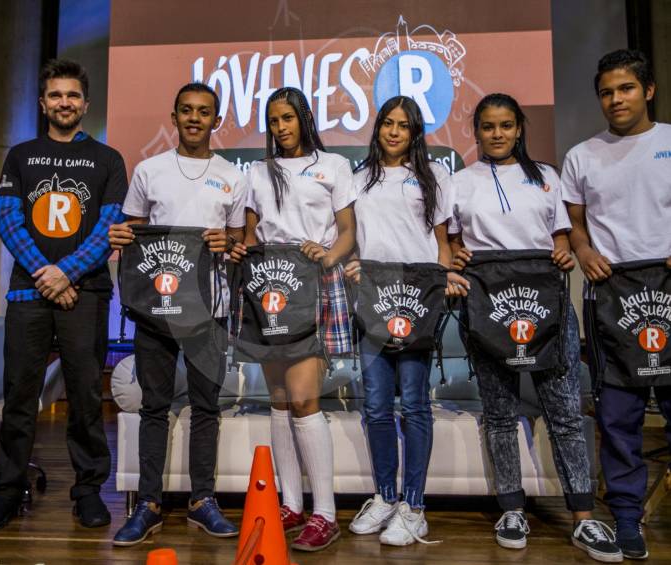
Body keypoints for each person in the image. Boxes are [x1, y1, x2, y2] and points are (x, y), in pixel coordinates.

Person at [449, 93, 622, 562]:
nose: (498, 134)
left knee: (565, 413)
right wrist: (455, 258)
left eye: (506, 125)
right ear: (478, 131)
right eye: (488, 126)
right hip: (488, 309)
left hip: (547, 309)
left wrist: (566, 253)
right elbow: (450, 244)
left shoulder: (546, 177)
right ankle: (511, 508)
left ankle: (583, 519)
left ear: (520, 127)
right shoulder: (459, 182)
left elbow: (561, 241)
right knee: (501, 414)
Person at [0, 59, 127, 532]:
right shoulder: (20, 155)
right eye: (56, 95)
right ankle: (7, 490)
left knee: (84, 397)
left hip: (87, 293)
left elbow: (109, 227)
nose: (65, 103)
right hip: (29, 294)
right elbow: (9, 220)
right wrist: (49, 275)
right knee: (21, 395)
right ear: (43, 103)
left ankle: (87, 491)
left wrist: (67, 273)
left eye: (73, 95)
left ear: (85, 103)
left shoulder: (109, 159)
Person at [108, 82, 246, 546]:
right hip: (157, 311)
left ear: (215, 120)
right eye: (186, 110)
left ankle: (202, 500)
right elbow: (133, 233)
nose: (194, 118)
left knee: (207, 407)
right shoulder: (149, 170)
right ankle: (149, 503)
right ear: (174, 116)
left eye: (203, 112)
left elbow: (239, 246)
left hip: (211, 309)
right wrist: (123, 238)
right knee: (154, 405)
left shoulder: (233, 176)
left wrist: (230, 245)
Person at [230, 86, 355, 552]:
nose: (281, 128)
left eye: (288, 118)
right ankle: (291, 503)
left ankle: (325, 513)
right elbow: (246, 234)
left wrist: (327, 256)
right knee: (280, 399)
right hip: (268, 286)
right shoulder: (257, 173)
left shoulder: (335, 166)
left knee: (304, 398)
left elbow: (347, 234)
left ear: (304, 117)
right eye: (274, 120)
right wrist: (240, 247)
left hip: (314, 282)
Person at [343, 96, 468, 546]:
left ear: (415, 133)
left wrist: (449, 274)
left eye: (404, 125)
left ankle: (414, 506)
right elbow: (349, 236)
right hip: (372, 297)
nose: (394, 132)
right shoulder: (358, 179)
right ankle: (385, 496)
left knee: (414, 403)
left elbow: (443, 242)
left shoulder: (435, 177)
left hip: (419, 299)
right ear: (377, 128)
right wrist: (353, 263)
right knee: (376, 405)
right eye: (387, 124)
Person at [562, 49, 671, 561]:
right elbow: (574, 222)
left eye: (625, 88)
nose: (615, 99)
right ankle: (627, 519)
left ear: (647, 90)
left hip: (668, 282)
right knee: (620, 417)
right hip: (613, 291)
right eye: (607, 91)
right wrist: (583, 251)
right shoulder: (583, 155)